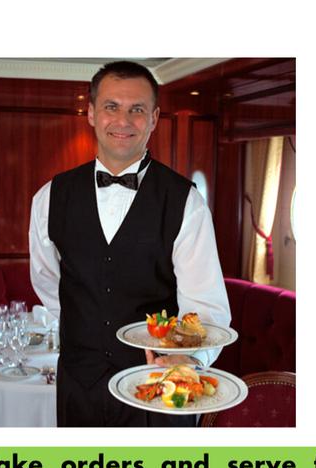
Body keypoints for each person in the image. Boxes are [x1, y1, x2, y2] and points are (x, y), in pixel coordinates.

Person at [29, 60, 230, 427]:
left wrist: (189, 361)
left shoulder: (186, 201)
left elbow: (206, 306)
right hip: (80, 387)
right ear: (91, 113)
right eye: (111, 107)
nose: (123, 120)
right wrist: (84, 335)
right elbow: (49, 284)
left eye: (136, 109)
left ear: (153, 118)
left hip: (159, 388)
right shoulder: (49, 197)